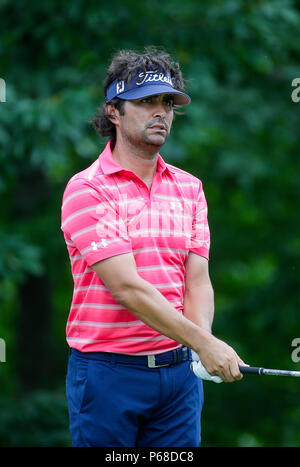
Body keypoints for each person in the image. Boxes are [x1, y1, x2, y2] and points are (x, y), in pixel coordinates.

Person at [60, 47, 245, 447]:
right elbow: (126, 287)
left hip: (179, 378)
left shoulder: (189, 187)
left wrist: (200, 349)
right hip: (107, 374)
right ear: (114, 111)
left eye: (168, 103)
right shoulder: (88, 189)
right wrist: (205, 343)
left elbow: (196, 283)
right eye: (146, 102)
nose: (160, 112)